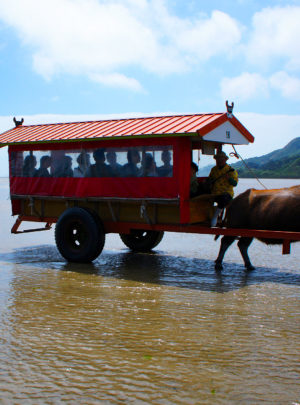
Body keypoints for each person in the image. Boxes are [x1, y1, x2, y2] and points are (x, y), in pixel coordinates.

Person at [208, 150, 238, 226]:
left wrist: (229, 179)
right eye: (218, 159)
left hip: (226, 193)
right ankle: (207, 217)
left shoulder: (231, 170)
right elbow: (210, 179)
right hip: (214, 192)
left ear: (225, 160)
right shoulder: (214, 169)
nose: (219, 161)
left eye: (221, 159)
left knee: (223, 199)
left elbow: (235, 183)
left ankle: (215, 217)